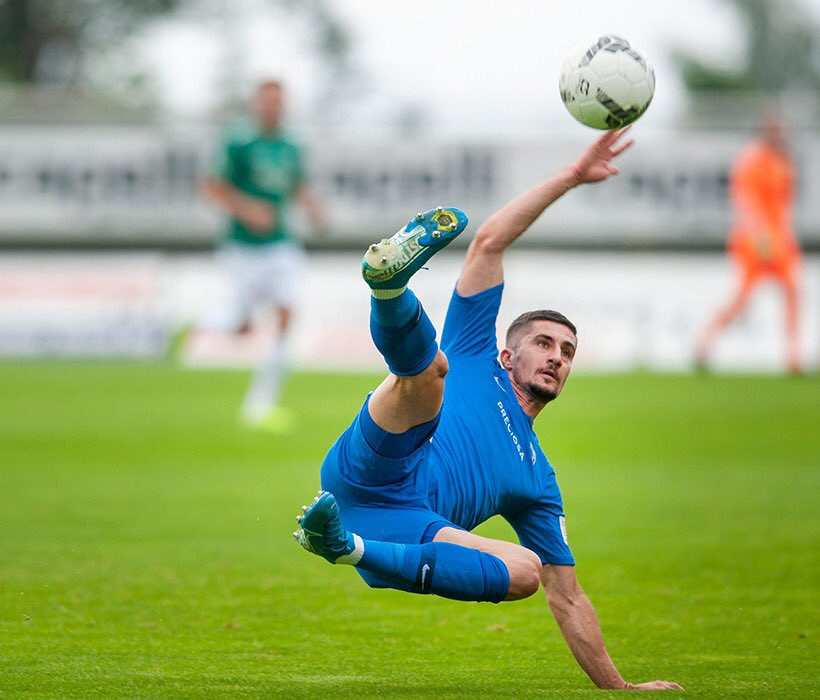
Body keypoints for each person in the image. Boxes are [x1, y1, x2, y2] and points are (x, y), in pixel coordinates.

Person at [293, 128, 682, 691]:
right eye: (544, 343)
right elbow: (490, 242)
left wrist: (618, 687)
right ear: (507, 354)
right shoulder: (477, 354)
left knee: (527, 572)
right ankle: (388, 290)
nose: (557, 357)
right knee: (432, 372)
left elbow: (568, 597)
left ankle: (341, 547)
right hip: (379, 463)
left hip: (404, 531)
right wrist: (572, 177)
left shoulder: (538, 479)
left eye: (567, 351)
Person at [197, 80, 325, 430]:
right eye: (268, 100)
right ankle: (196, 328)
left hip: (281, 244)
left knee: (286, 314)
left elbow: (296, 185)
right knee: (242, 326)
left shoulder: (290, 145)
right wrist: (247, 209)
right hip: (242, 247)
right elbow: (211, 185)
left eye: (279, 101)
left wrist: (313, 208)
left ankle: (260, 404)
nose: (273, 107)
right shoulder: (238, 141)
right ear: (257, 104)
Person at [695, 116, 802, 373]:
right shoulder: (752, 160)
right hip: (755, 241)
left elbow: (784, 203)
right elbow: (746, 201)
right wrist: (758, 234)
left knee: (792, 292)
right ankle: (705, 343)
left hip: (781, 239)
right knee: (742, 299)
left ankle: (793, 355)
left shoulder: (783, 161)